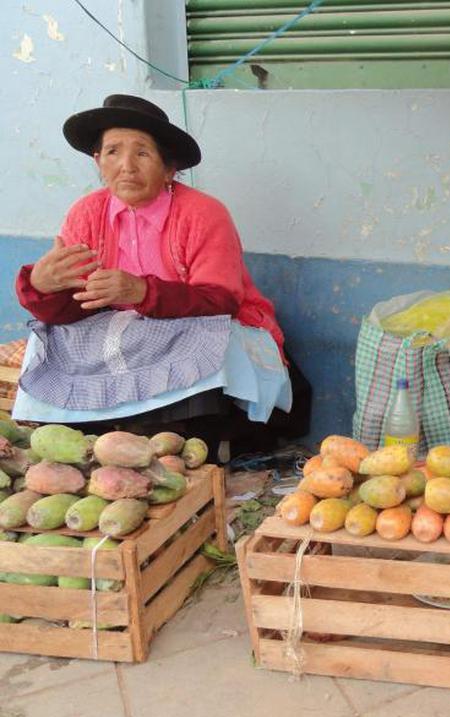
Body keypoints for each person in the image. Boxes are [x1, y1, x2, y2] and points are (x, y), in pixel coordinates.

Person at [13, 94, 309, 455]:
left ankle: (194, 450)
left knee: (205, 336)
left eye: (142, 153)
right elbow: (73, 308)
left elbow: (221, 300)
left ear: (169, 169)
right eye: (112, 152)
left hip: (203, 326)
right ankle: (81, 449)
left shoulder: (203, 213)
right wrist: (41, 287)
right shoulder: (86, 214)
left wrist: (141, 292)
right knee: (50, 337)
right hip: (125, 338)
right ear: (97, 161)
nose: (126, 166)